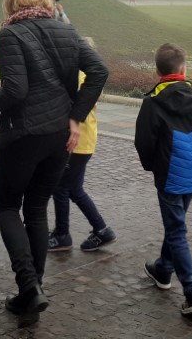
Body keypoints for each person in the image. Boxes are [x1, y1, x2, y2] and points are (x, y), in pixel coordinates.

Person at [0, 0, 107, 328]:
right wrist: (75, 116)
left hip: (26, 134)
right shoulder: (65, 29)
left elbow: (16, 91)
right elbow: (99, 72)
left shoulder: (12, 34)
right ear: (44, 0)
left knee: (7, 206)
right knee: (36, 208)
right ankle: (33, 292)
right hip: (60, 134)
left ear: (11, 4)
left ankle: (29, 286)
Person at [135, 42, 192, 317]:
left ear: (157, 71)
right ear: (184, 68)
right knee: (176, 223)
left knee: (177, 230)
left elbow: (143, 141)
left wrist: (152, 167)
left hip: (168, 173)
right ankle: (163, 271)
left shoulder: (153, 100)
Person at [48, 37, 115, 254]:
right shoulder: (85, 75)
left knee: (64, 187)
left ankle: (66, 234)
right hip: (84, 140)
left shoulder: (81, 76)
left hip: (77, 142)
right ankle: (93, 230)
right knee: (70, 188)